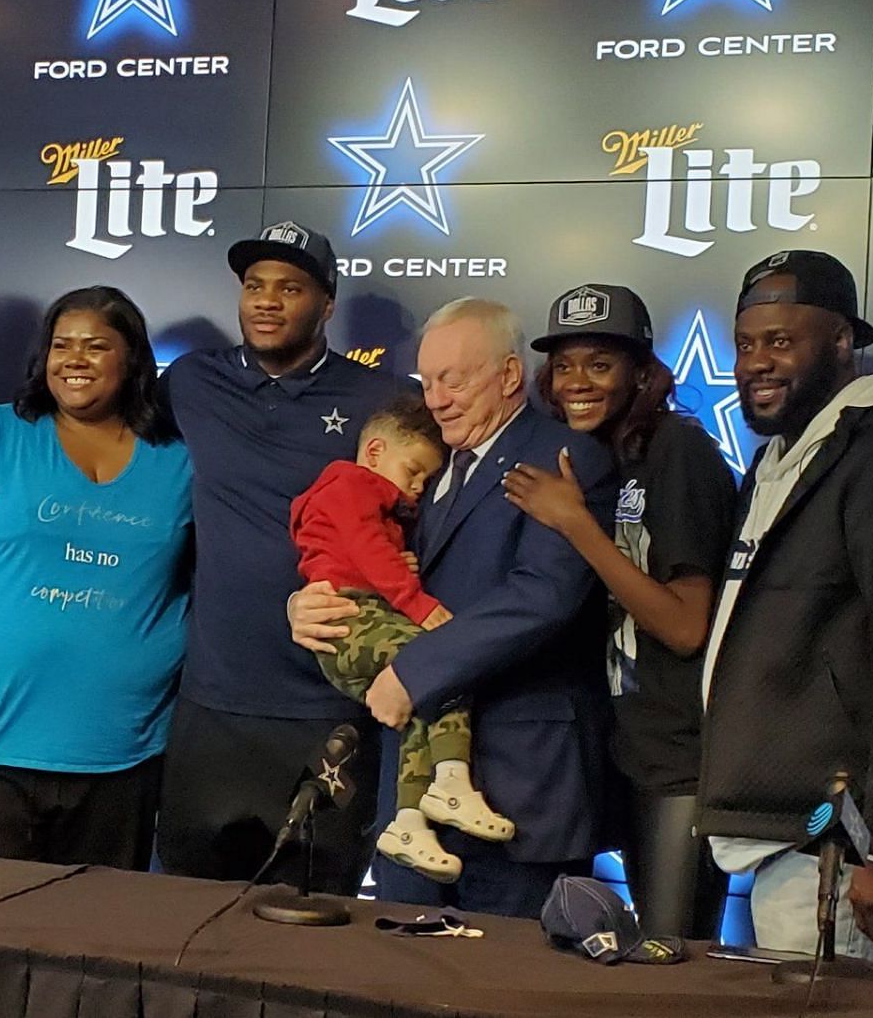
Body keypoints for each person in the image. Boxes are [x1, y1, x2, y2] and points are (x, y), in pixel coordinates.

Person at [289, 298, 618, 917]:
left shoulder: (563, 459)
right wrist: (308, 601)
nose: (435, 398)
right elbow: (373, 562)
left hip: (518, 785)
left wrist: (415, 671)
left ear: (509, 376)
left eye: (454, 379)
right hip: (411, 800)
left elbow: (544, 595)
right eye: (427, 380)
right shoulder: (429, 467)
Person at [697, 250, 873, 958]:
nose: (757, 361)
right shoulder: (781, 460)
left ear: (845, 342)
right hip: (795, 840)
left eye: (782, 341)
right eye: (745, 343)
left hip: (848, 856)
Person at [157, 221, 413, 893]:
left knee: (312, 928)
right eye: (254, 285)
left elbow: (425, 523)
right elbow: (94, 430)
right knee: (182, 917)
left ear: (327, 305)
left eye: (290, 287)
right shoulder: (190, 382)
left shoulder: (379, 399)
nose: (266, 300)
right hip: (211, 703)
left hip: (328, 707)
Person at [0, 287, 192, 868]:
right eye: (62, 346)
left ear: (132, 359)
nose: (75, 360)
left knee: (91, 948)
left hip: (125, 759)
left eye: (96, 346)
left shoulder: (180, 457)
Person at [500, 283, 735, 940]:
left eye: (600, 365)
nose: (577, 382)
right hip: (628, 751)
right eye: (566, 365)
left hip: (682, 760)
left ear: (641, 372)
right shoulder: (607, 458)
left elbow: (687, 625)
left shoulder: (679, 453)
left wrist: (576, 524)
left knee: (672, 960)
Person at [289, 393, 516, 882]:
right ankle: (453, 780)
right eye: (413, 470)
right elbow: (369, 553)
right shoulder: (351, 484)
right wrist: (421, 606)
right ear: (374, 453)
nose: (417, 487)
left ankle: (408, 822)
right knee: (445, 665)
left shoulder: (370, 506)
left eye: (426, 479)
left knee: (419, 703)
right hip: (354, 620)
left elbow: (363, 553)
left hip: (354, 624)